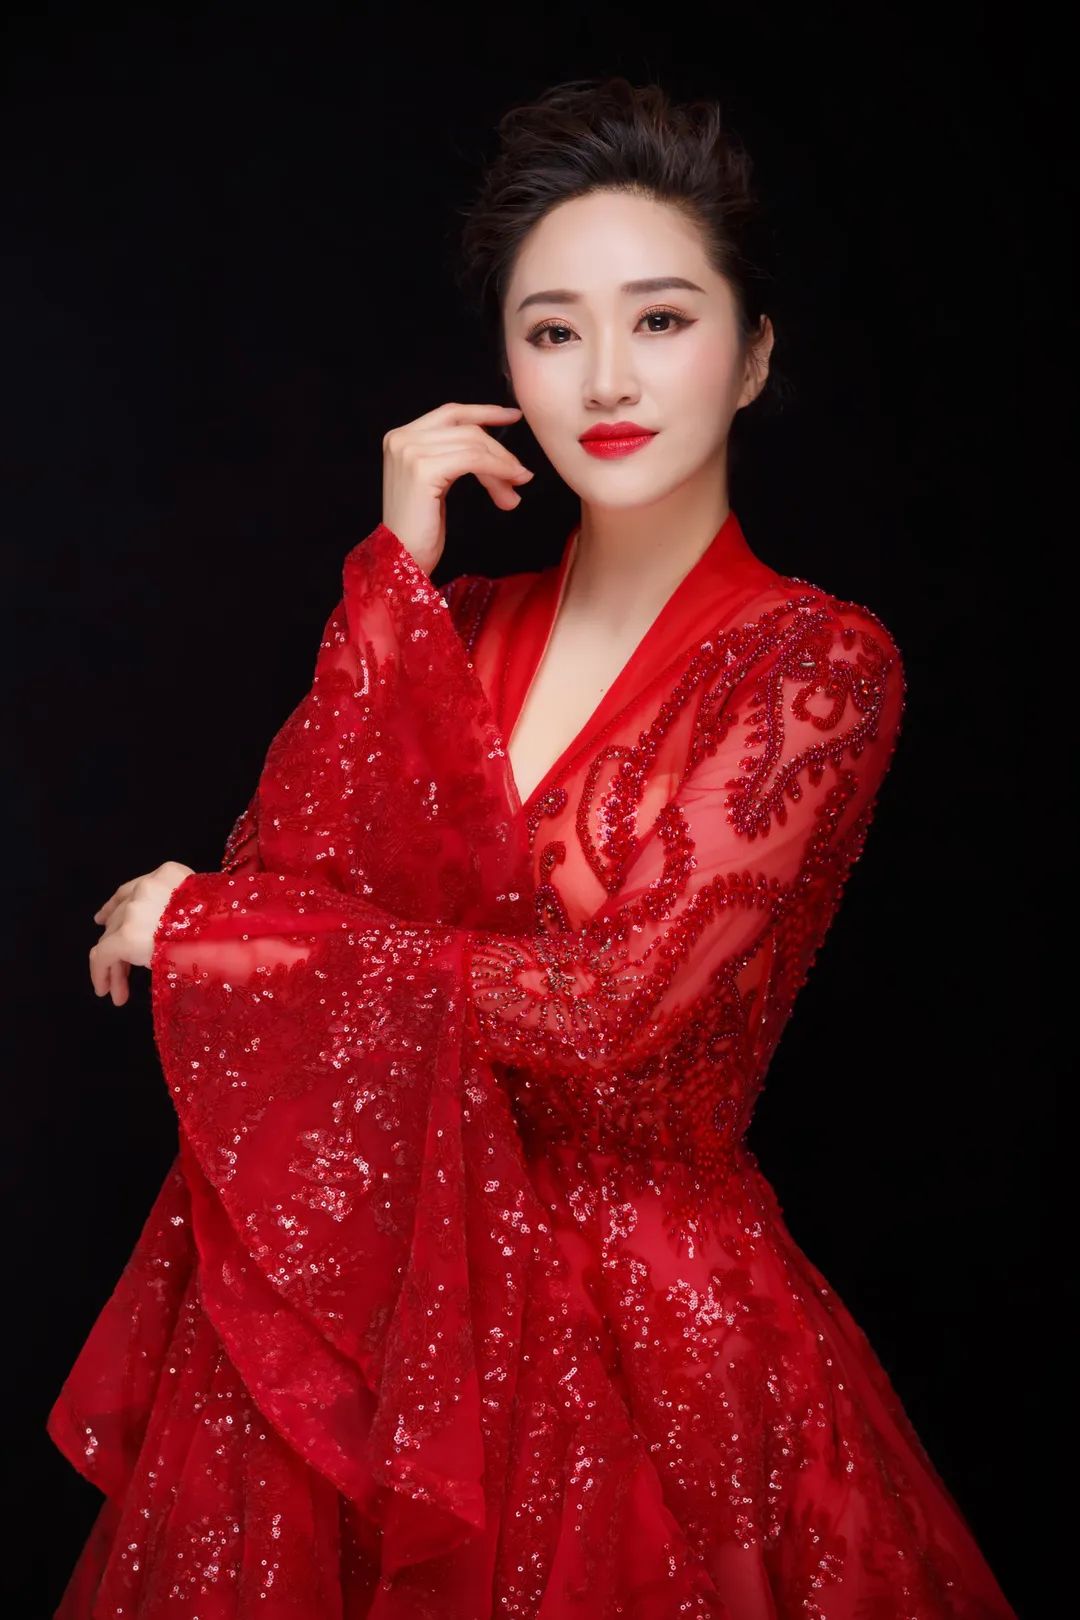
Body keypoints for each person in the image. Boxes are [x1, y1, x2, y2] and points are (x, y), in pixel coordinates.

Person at [50, 77, 1017, 1619]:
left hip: (650, 1348)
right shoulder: (457, 623)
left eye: (662, 320)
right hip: (404, 1311)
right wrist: (393, 577)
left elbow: (609, 1010)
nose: (607, 377)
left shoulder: (815, 664)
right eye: (554, 331)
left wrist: (223, 934)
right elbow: (290, 875)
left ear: (755, 356)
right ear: (507, 366)